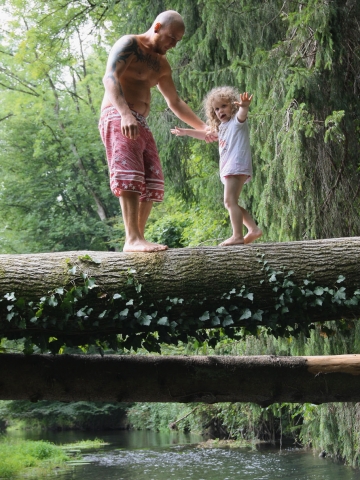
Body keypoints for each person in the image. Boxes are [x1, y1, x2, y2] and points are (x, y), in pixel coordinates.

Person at [98, 10, 209, 252]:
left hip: (140, 122)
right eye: (171, 38)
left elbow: (175, 102)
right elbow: (109, 78)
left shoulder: (162, 64)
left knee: (152, 179)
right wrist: (125, 113)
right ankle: (132, 239)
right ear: (157, 26)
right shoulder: (129, 44)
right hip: (118, 115)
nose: (173, 44)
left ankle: (137, 240)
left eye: (177, 41)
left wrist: (204, 128)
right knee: (128, 174)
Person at [171, 86, 262, 246]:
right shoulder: (222, 127)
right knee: (232, 202)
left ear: (233, 106)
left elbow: (242, 115)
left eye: (224, 106)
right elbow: (204, 134)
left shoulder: (236, 122)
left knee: (229, 202)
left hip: (236, 165)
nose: (220, 111)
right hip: (231, 168)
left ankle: (237, 236)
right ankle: (253, 230)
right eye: (217, 109)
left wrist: (245, 106)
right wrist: (186, 132)